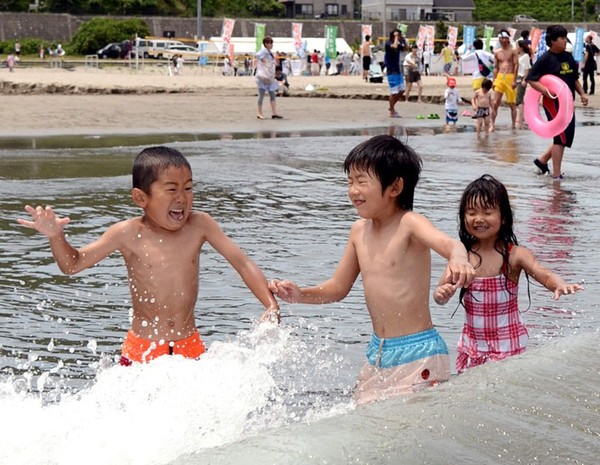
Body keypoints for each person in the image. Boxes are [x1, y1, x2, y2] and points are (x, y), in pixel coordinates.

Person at [17, 146, 280, 365]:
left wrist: (270, 304)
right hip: (141, 349)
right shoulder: (126, 233)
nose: (182, 198)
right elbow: (72, 265)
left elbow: (242, 263)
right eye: (171, 189)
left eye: (188, 188)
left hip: (189, 346)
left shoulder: (201, 225)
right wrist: (56, 236)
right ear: (141, 198)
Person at [269, 135, 475, 405]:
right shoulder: (358, 232)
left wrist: (459, 258)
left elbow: (450, 244)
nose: (353, 190)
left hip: (419, 352)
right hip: (377, 353)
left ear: (395, 187)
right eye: (350, 181)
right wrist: (300, 294)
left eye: (362, 181)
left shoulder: (409, 224)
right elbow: (338, 287)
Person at [433, 174, 583, 373]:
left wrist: (559, 284)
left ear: (503, 217)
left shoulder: (514, 255)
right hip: (473, 348)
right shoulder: (462, 257)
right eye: (471, 212)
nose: (478, 219)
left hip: (509, 346)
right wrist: (441, 294)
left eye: (487, 212)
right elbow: (440, 294)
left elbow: (543, 273)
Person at [528, 25, 589, 180]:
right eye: (562, 38)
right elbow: (531, 79)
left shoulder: (568, 57)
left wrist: (582, 93)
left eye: (565, 38)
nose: (564, 41)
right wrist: (546, 91)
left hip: (568, 103)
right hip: (553, 102)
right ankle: (556, 175)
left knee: (567, 137)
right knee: (560, 137)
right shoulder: (545, 59)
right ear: (553, 41)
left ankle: (542, 161)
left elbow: (574, 79)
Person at [490, 30, 519, 131]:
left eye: (505, 38)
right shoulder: (497, 52)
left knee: (512, 103)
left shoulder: (513, 50)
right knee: (495, 102)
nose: (503, 40)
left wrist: (514, 80)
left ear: (508, 39)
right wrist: (494, 80)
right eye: (501, 38)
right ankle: (492, 124)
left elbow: (516, 65)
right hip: (500, 77)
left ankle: (513, 124)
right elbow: (495, 68)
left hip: (510, 76)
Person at [255, 36, 283, 120]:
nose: (271, 45)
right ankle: (259, 113)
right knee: (261, 95)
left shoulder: (269, 52)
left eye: (271, 43)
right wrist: (263, 60)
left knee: (272, 94)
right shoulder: (264, 51)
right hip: (262, 77)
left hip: (269, 77)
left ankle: (274, 113)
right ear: (266, 44)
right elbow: (257, 55)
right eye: (270, 43)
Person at [384, 29, 407, 118]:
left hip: (397, 69)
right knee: (394, 92)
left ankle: (392, 106)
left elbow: (405, 48)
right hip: (391, 69)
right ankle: (392, 110)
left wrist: (404, 41)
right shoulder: (389, 43)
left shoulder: (399, 43)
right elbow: (394, 46)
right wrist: (396, 37)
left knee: (402, 90)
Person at [515, 40, 532, 129]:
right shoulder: (517, 56)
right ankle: (521, 116)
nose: (516, 48)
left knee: (519, 99)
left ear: (521, 47)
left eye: (517, 46)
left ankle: (520, 118)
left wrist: (525, 80)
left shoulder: (525, 56)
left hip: (521, 78)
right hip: (515, 79)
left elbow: (527, 69)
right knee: (517, 98)